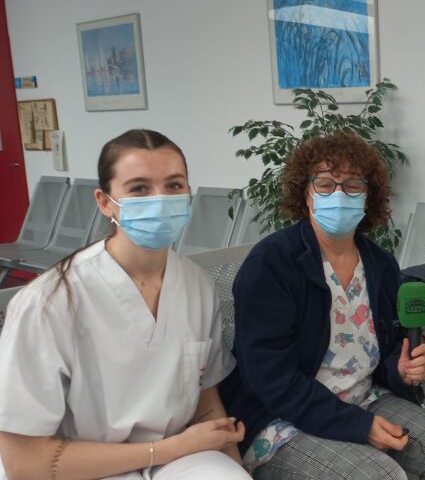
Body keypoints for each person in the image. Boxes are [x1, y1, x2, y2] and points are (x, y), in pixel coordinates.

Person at [219, 131, 425, 479]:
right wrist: (356, 425)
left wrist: (399, 367)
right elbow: (270, 378)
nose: (338, 194)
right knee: (379, 477)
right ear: (305, 194)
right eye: (324, 184)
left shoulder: (380, 264)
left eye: (353, 185)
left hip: (364, 396)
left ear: (368, 196)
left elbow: (384, 348)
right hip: (281, 417)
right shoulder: (273, 263)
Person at [0, 129, 249, 480]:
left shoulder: (197, 285)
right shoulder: (48, 301)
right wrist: (169, 449)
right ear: (104, 202)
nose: (160, 199)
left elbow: (206, 404)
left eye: (174, 186)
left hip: (179, 459)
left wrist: (234, 463)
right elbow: (25, 464)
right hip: (81, 465)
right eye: (139, 188)